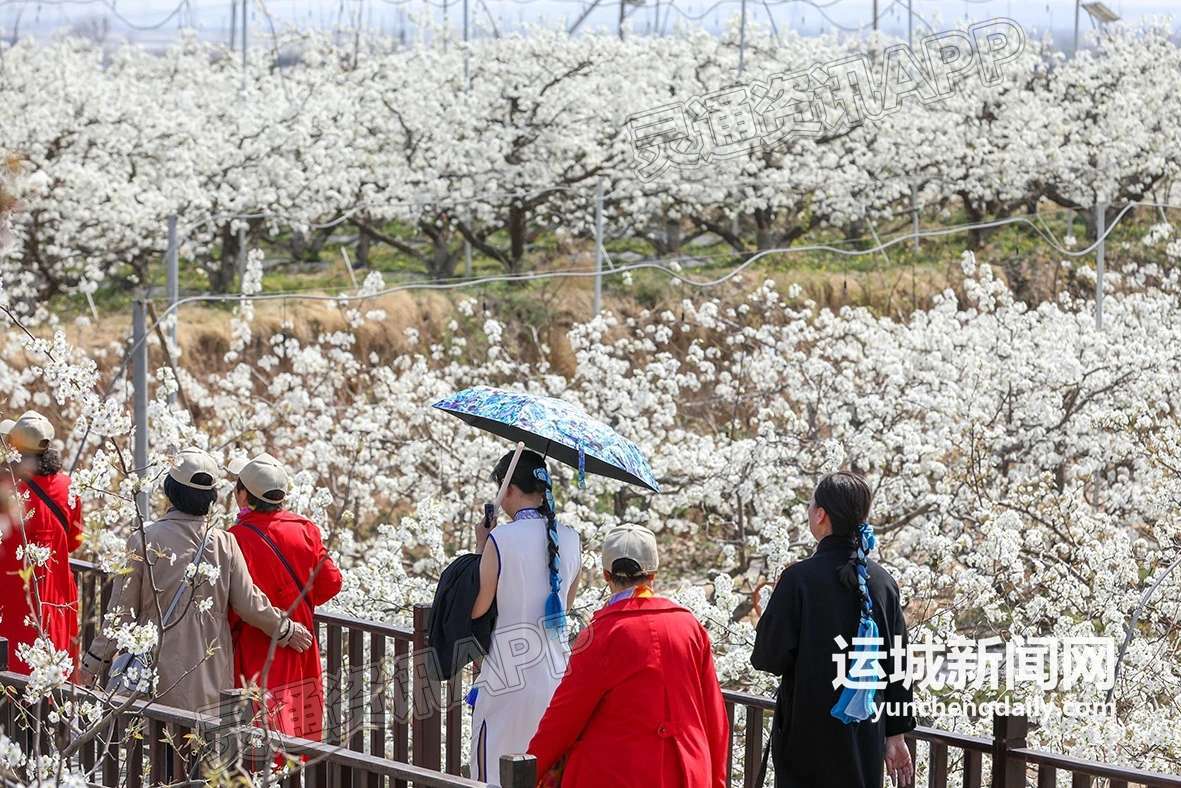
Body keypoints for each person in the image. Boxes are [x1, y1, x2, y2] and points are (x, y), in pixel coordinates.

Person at [80, 447, 313, 711]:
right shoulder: (224, 543)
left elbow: (122, 613)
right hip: (209, 678)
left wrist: (93, 662)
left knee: (157, 747)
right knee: (200, 747)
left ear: (170, 490)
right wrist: (286, 630)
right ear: (212, 497)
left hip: (154, 676)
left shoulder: (145, 539)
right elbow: (250, 604)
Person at [528, 524, 729, 788]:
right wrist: (716, 780)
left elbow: (563, 718)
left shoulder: (600, 634)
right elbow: (714, 716)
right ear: (654, 574)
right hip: (687, 770)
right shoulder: (690, 626)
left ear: (606, 574)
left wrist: (530, 768)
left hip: (618, 773)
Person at [751, 471, 915, 788]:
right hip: (864, 737)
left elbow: (768, 659)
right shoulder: (882, 582)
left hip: (807, 738)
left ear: (821, 515)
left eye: (811, 505)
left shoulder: (798, 579)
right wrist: (896, 734)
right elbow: (899, 664)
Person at [468, 450, 582, 786]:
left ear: (509, 490)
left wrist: (481, 545)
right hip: (556, 675)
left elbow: (478, 607)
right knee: (544, 772)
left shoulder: (501, 539)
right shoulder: (572, 539)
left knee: (493, 771)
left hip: (506, 675)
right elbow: (564, 605)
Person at [229, 453, 342, 742]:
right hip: (302, 642)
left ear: (244, 496)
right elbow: (332, 582)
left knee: (261, 729)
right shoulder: (305, 529)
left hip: (255, 644)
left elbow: (231, 601)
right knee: (302, 728)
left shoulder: (236, 537)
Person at [0, 411, 84, 675]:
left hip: (10, 594)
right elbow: (75, 541)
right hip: (54, 598)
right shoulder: (69, 487)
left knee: (11, 664)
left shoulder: (6, 489)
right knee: (52, 669)